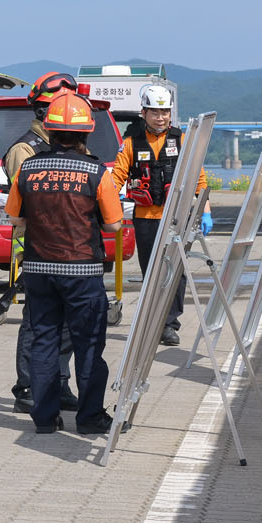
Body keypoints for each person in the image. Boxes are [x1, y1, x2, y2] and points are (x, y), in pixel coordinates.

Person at [7, 92, 124, 435]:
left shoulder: (28, 168)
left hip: (39, 270)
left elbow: (15, 218)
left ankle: (45, 418)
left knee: (43, 342)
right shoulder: (96, 172)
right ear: (86, 133)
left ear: (49, 129)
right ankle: (89, 418)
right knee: (88, 345)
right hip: (82, 271)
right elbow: (114, 225)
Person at [101, 84, 207, 347]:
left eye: (165, 112)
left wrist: (205, 211)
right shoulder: (130, 143)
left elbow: (199, 177)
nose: (161, 117)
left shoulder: (182, 140)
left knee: (176, 272)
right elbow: (116, 179)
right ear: (144, 113)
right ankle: (151, 321)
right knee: (151, 272)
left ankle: (169, 325)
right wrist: (105, 206)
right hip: (146, 218)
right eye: (155, 112)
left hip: (176, 217)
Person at [4, 72, 80, 413]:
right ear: (41, 111)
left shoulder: (72, 147)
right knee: (38, 322)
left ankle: (58, 384)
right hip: (36, 248)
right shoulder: (24, 150)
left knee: (67, 324)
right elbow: (28, 202)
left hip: (71, 249)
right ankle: (28, 387)